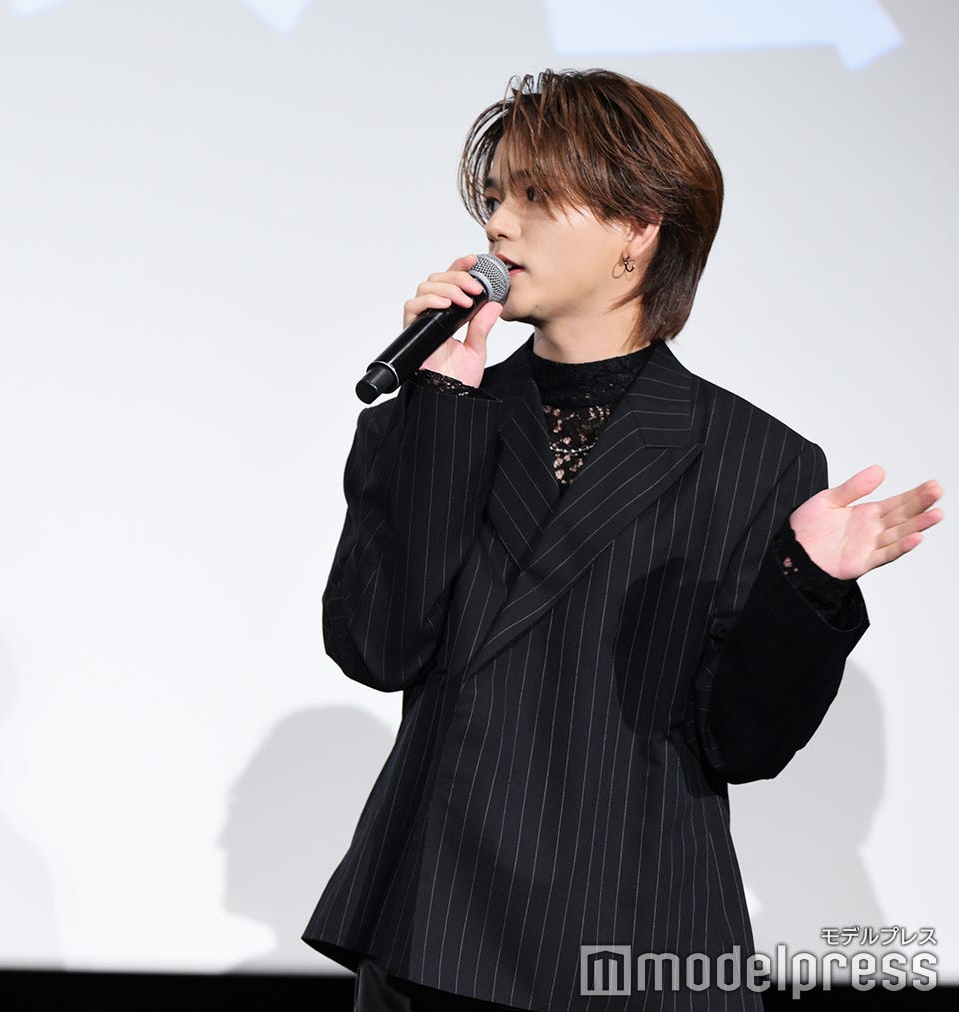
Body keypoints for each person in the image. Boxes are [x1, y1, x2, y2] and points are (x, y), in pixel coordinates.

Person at [302, 69, 942, 1011]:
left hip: (630, 931)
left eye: (533, 195)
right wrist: (436, 408)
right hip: (435, 922)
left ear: (637, 229)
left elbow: (743, 743)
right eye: (494, 197)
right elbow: (376, 647)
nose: (498, 226)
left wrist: (805, 581)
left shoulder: (753, 457)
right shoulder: (443, 411)